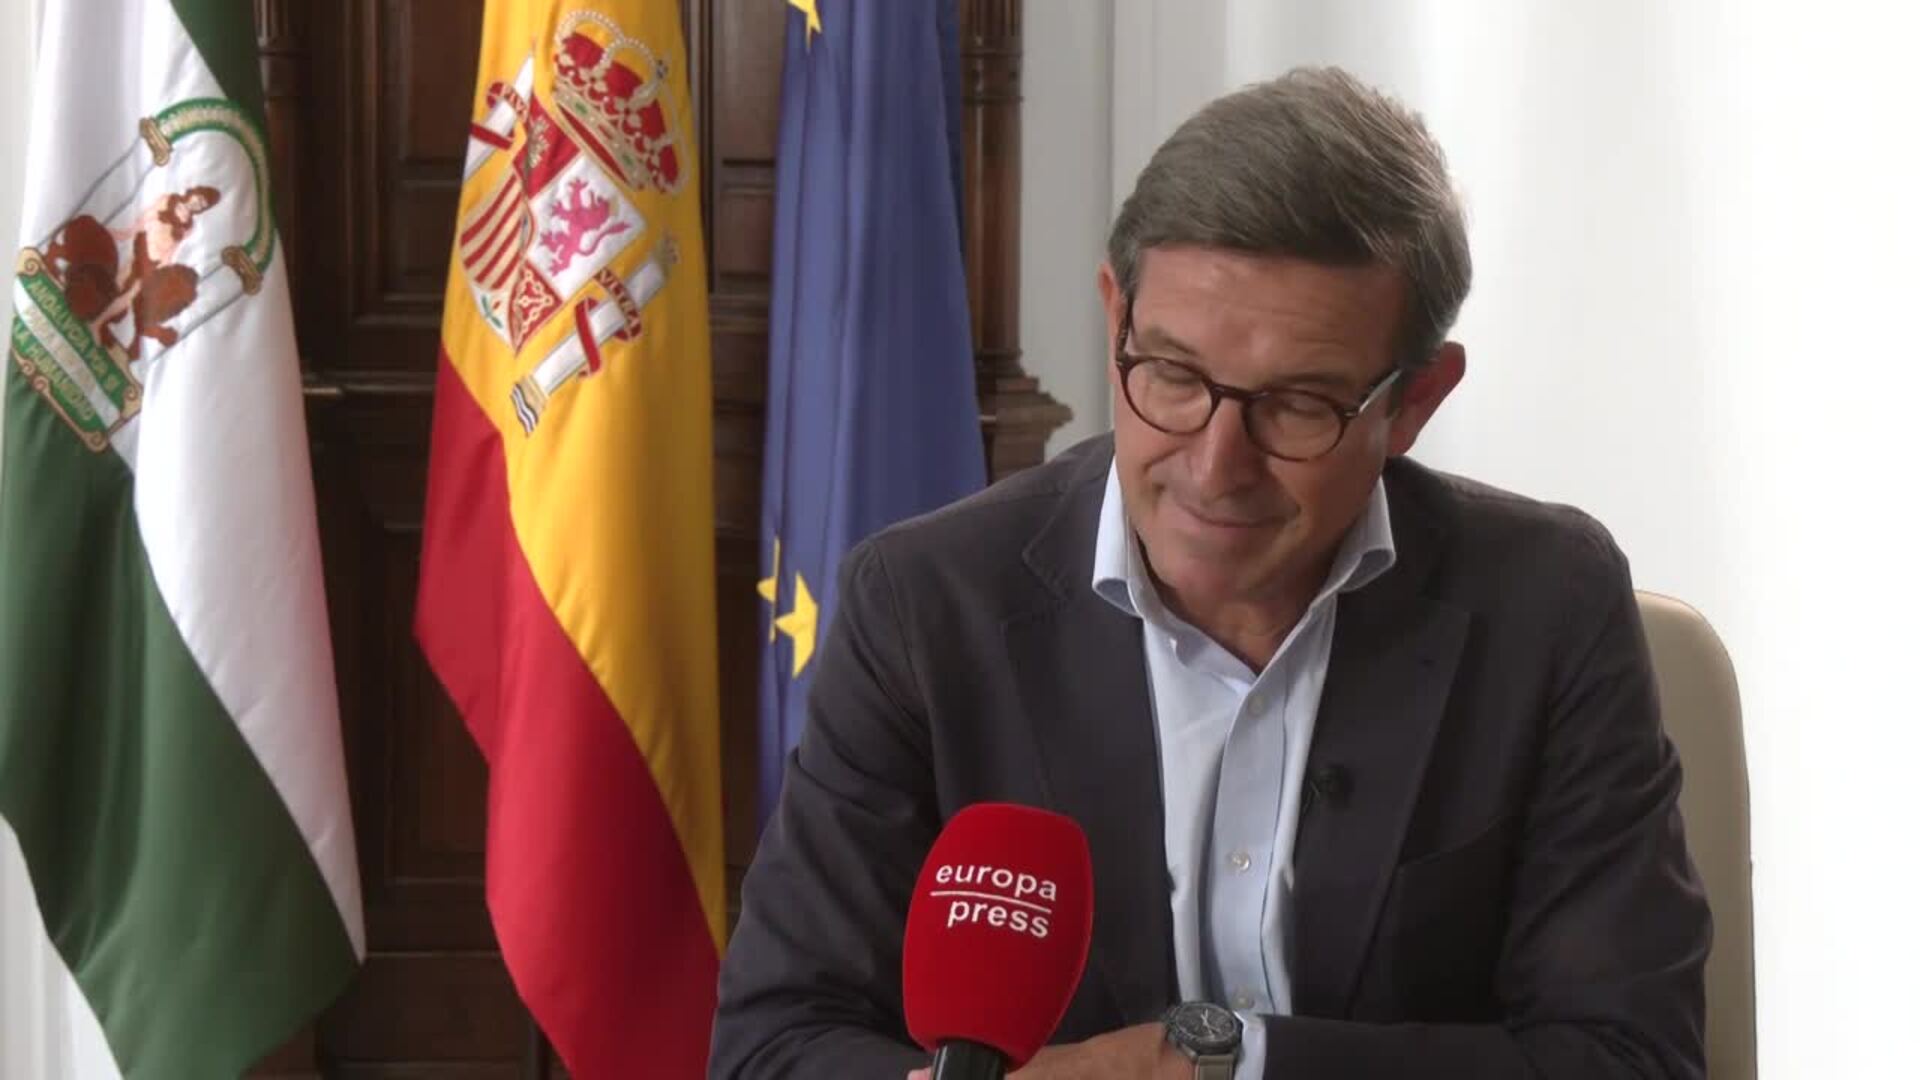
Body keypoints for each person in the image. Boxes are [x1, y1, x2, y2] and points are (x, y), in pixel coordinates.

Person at [711, 67, 1710, 1079]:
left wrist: (1206, 1065)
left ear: (1413, 403)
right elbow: (774, 1044)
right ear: (1115, 319)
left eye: (1298, 405)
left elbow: (1628, 1057)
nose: (1214, 466)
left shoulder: (1546, 610)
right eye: (1174, 377)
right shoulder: (926, 606)